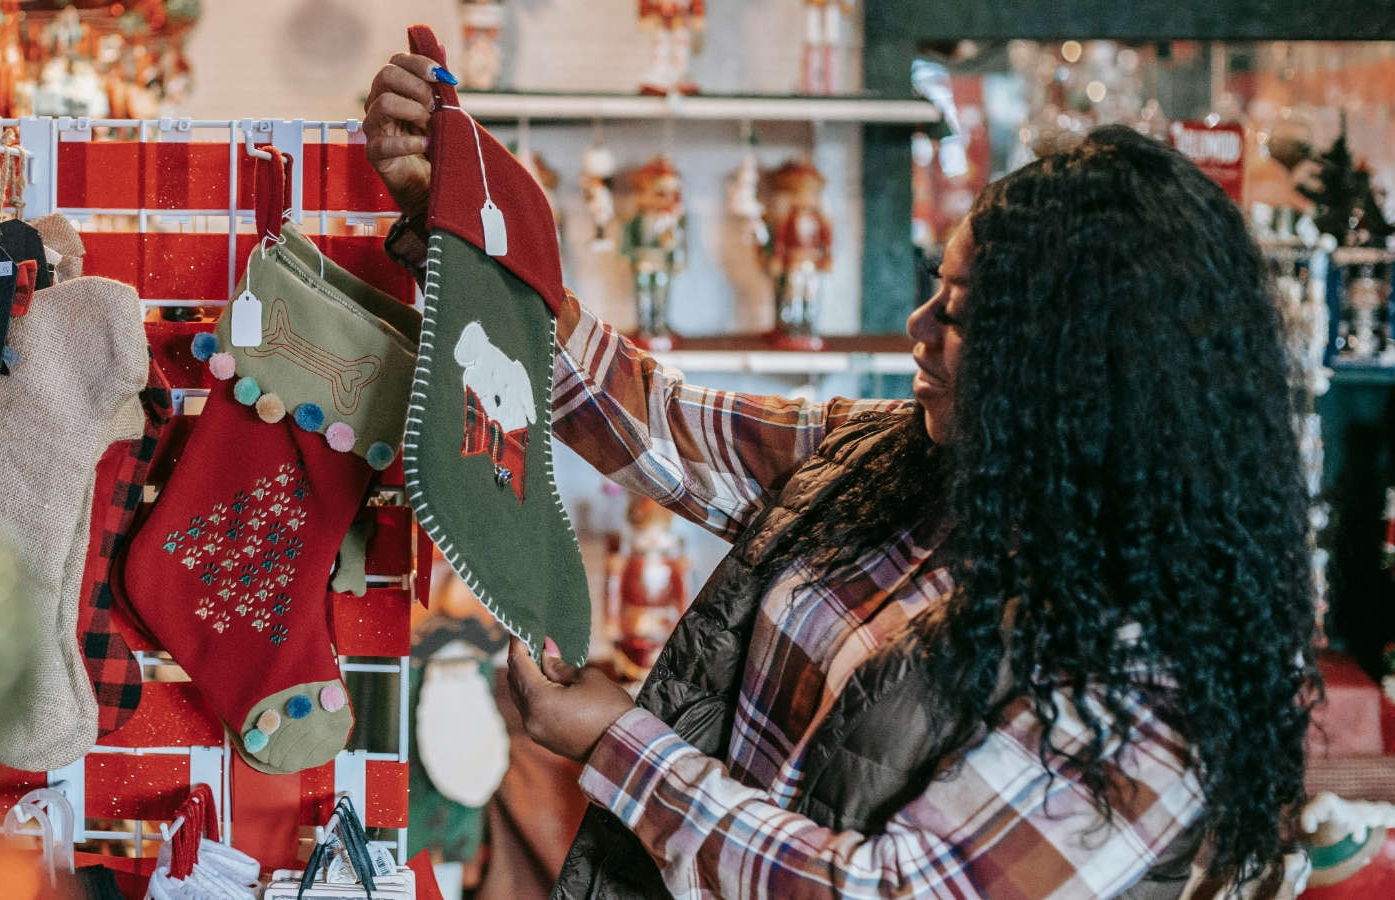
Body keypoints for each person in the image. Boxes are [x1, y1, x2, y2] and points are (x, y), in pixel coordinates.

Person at [366, 53, 1317, 900]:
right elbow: (658, 423)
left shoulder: (1145, 694)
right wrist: (457, 216)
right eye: (934, 288)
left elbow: (884, 890)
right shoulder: (901, 461)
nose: (919, 327)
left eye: (965, 315)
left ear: (1087, 367)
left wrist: (619, 746)